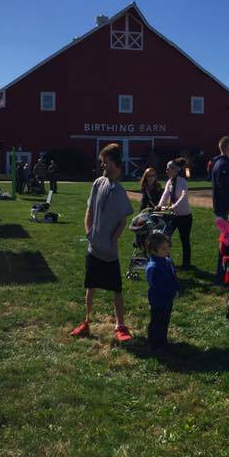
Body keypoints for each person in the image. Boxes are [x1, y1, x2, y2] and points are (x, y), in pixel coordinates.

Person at [72, 143, 135, 343]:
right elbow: (89, 210)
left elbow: (123, 221)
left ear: (115, 164)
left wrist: (112, 240)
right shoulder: (98, 183)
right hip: (93, 248)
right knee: (90, 286)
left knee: (116, 289)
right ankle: (86, 322)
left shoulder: (120, 192)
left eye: (105, 163)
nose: (103, 167)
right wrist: (88, 232)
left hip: (109, 252)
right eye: (102, 163)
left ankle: (120, 325)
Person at [208, 136, 229, 282]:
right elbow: (227, 189)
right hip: (227, 210)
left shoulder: (218, 163)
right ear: (227, 146)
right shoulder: (224, 165)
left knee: (227, 241)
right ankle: (224, 275)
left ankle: (223, 274)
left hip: (223, 208)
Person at [155, 158, 197, 265]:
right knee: (165, 237)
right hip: (174, 216)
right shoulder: (169, 182)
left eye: (169, 168)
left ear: (176, 169)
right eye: (167, 168)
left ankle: (186, 264)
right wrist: (159, 205)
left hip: (185, 217)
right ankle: (166, 261)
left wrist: (175, 205)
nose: (167, 170)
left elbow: (183, 195)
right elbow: (165, 195)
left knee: (185, 240)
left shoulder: (182, 181)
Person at [142, 235, 178, 347]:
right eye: (163, 249)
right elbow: (159, 286)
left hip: (168, 299)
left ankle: (162, 340)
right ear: (153, 250)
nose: (167, 251)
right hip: (158, 300)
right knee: (157, 320)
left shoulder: (167, 261)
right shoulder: (153, 267)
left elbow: (174, 276)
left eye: (168, 247)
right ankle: (154, 342)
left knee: (165, 320)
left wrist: (176, 288)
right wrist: (171, 292)